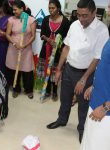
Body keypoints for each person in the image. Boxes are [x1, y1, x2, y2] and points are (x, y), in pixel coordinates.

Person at [46, 0, 109, 143]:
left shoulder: (102, 30)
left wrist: (83, 79)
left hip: (86, 73)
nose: (81, 19)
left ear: (94, 13)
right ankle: (62, 120)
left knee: (83, 104)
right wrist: (59, 69)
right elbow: (66, 48)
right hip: (69, 69)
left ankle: (82, 129)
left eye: (85, 15)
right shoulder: (74, 25)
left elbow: (97, 58)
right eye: (79, 15)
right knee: (65, 98)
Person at [36, 0, 70, 101]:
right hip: (46, 50)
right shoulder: (46, 19)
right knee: (47, 70)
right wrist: (49, 40)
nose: (51, 10)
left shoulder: (65, 22)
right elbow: (42, 35)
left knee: (55, 71)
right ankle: (46, 91)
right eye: (49, 8)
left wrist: (58, 44)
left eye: (53, 8)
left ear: (58, 8)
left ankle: (54, 92)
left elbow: (68, 38)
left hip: (58, 52)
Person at [80, 39, 110, 150]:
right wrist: (94, 86)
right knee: (88, 143)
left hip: (105, 112)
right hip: (96, 102)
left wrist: (106, 107)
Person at [6, 0, 36, 99]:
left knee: (27, 70)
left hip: (26, 49)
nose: (14, 12)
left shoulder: (31, 20)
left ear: (22, 9)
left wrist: (25, 45)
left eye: (15, 10)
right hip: (13, 49)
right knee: (14, 69)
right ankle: (16, 88)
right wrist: (15, 43)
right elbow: (7, 34)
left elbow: (33, 36)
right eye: (13, 10)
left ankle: (29, 90)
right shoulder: (11, 20)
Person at [0, 0, 13, 76]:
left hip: (4, 46)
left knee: (2, 64)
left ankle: (4, 82)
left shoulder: (10, 19)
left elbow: (9, 35)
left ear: (2, 7)